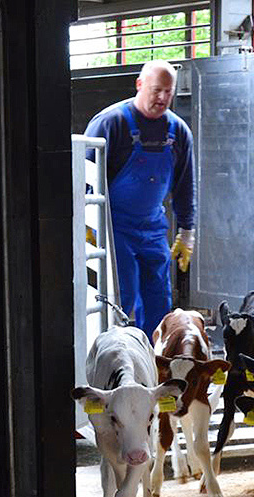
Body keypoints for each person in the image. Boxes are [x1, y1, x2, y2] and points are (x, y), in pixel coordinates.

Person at [84, 60, 196, 340]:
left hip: (152, 227)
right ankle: (116, 359)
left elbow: (184, 185)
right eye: (157, 90)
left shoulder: (178, 132)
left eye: (168, 93)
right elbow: (83, 178)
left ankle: (153, 364)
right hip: (114, 228)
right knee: (122, 299)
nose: (162, 98)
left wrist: (186, 231)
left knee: (160, 300)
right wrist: (85, 223)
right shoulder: (110, 124)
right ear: (139, 85)